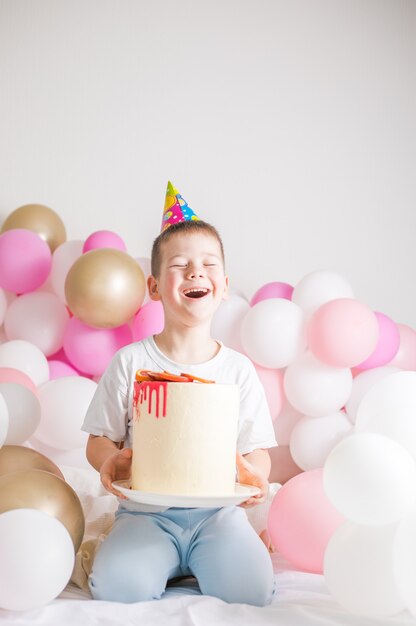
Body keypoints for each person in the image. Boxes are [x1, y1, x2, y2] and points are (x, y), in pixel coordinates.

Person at [82, 182, 277, 606]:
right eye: (180, 264)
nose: (195, 272)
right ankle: (125, 551)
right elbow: (99, 440)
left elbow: (258, 449)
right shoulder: (131, 362)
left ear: (223, 286)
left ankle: (238, 549)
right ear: (154, 287)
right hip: (146, 514)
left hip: (219, 516)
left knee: (254, 593)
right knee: (119, 590)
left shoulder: (237, 369)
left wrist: (254, 473)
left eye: (208, 264)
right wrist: (109, 460)